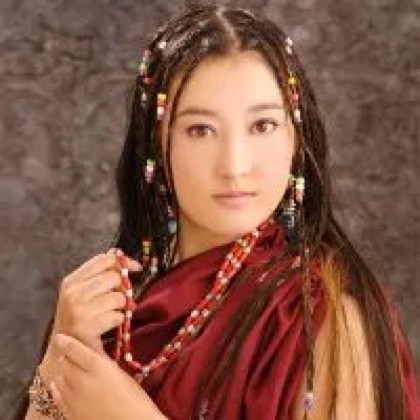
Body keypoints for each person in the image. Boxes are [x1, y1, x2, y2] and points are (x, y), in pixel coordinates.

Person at [19, 4, 419, 420]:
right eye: (200, 130)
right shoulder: (108, 304)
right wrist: (59, 360)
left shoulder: (325, 312)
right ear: (157, 144)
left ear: (295, 140)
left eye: (262, 125)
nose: (234, 165)